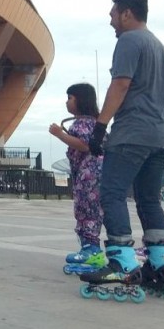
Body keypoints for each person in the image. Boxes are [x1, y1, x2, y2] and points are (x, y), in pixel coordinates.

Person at [81, 0, 164, 299]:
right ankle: (160, 263)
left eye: (113, 14)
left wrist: (100, 126)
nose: (110, 19)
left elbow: (120, 84)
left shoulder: (129, 41)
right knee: (149, 199)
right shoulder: (161, 48)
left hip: (133, 134)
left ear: (127, 14)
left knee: (112, 193)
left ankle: (122, 263)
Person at [49, 83, 106, 273]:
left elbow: (84, 145)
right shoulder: (93, 123)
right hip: (87, 174)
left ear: (81, 100)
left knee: (87, 210)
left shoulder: (84, 124)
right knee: (85, 209)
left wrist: (59, 135)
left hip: (89, 175)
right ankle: (88, 248)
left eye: (70, 98)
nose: (67, 102)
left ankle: (92, 251)